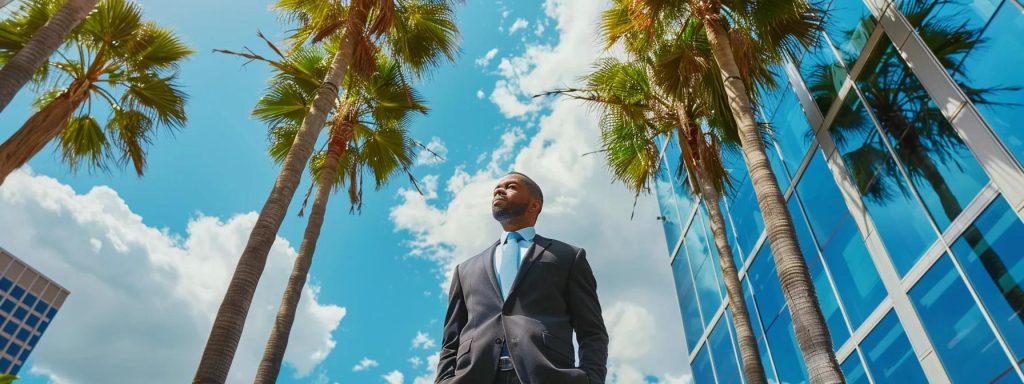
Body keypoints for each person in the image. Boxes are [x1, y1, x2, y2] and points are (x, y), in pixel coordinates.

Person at [434, 172, 608, 384]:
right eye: (496, 188)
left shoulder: (568, 256)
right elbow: (450, 340)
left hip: (546, 375)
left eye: (511, 186)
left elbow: (592, 331)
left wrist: (591, 379)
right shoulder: (465, 270)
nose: (499, 190)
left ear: (534, 206)